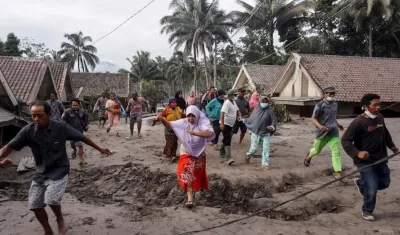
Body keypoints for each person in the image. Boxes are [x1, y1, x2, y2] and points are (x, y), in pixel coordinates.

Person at [0, 100, 111, 235]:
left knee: (51, 199)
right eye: (33, 116)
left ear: (49, 114)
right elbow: (8, 147)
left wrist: (100, 149)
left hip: (60, 169)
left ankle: (59, 219)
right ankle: (48, 230)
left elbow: (82, 137)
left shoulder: (61, 127)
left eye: (40, 116)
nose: (36, 119)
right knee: (34, 204)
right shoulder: (28, 131)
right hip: (41, 171)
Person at [341, 93, 399, 221]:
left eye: (379, 104)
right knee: (372, 187)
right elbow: (345, 140)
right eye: (375, 105)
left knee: (385, 183)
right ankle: (367, 210)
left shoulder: (380, 118)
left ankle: (361, 182)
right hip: (365, 161)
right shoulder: (358, 122)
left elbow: (385, 132)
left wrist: (392, 146)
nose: (378, 107)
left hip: (381, 158)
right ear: (366, 107)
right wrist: (358, 153)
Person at [157, 105, 214, 209]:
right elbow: (169, 125)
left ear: (197, 116)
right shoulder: (183, 122)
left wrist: (195, 133)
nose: (190, 118)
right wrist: (162, 119)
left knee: (198, 173)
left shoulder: (202, 122)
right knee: (187, 171)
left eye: (193, 116)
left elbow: (209, 133)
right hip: (186, 151)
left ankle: (199, 189)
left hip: (199, 152)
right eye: (189, 116)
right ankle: (190, 199)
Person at [304, 87, 345, 181]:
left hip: (333, 132)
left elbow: (333, 117)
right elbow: (313, 118)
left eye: (333, 94)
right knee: (317, 150)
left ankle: (338, 172)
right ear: (325, 94)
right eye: (330, 94)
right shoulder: (319, 105)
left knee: (336, 152)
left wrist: (338, 125)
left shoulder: (335, 104)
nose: (332, 96)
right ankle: (309, 155)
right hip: (322, 133)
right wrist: (319, 126)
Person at [244, 96, 277, 169]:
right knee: (254, 148)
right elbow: (251, 119)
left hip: (266, 133)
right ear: (260, 102)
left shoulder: (270, 110)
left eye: (266, 102)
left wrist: (272, 127)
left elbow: (273, 120)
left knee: (266, 148)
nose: (264, 103)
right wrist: (244, 120)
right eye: (263, 101)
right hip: (256, 132)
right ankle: (249, 154)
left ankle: (265, 164)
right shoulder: (257, 109)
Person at [153, 97, 183, 162]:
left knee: (175, 142)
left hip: (176, 130)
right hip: (168, 129)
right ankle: (173, 156)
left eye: (175, 103)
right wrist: (155, 120)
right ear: (169, 104)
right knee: (170, 142)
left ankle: (169, 153)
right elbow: (160, 115)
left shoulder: (179, 110)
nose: (174, 104)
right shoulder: (167, 110)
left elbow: (183, 116)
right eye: (172, 103)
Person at [62, 98, 88, 165]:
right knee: (72, 144)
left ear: (79, 105)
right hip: (70, 131)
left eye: (76, 105)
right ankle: (74, 149)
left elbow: (85, 119)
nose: (74, 106)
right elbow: (62, 120)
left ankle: (81, 159)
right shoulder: (67, 112)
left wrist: (85, 125)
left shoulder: (82, 112)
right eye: (73, 105)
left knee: (80, 145)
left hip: (79, 131)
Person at [220, 89, 242, 165]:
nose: (235, 96)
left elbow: (238, 110)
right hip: (225, 123)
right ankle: (228, 158)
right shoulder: (227, 103)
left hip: (231, 124)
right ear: (230, 95)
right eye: (234, 95)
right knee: (228, 140)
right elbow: (222, 113)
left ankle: (222, 150)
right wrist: (222, 124)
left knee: (227, 138)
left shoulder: (233, 102)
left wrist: (240, 116)